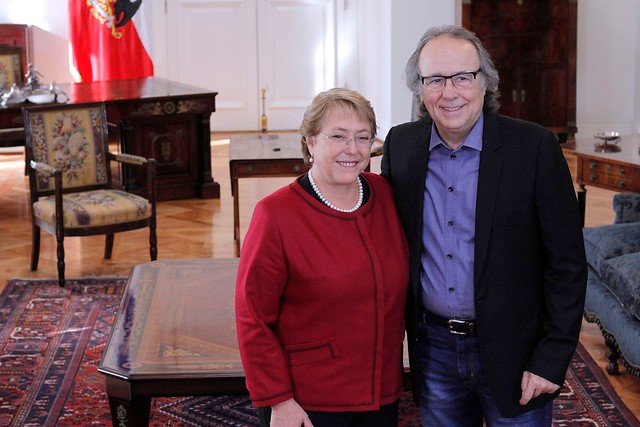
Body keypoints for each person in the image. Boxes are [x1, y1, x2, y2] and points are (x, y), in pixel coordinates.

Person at [381, 25, 587, 426]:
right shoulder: (401, 147)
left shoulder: (535, 148)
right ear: (420, 90)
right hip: (434, 348)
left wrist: (551, 358)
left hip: (516, 348)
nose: (450, 91)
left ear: (485, 82)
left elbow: (568, 265)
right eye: (435, 80)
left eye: (463, 76)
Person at [235, 88, 410, 427]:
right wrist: (279, 401)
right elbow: (252, 318)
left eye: (363, 138)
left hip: (382, 392)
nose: (352, 149)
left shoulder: (386, 195)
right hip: (309, 400)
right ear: (311, 142)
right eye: (338, 137)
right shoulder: (275, 214)